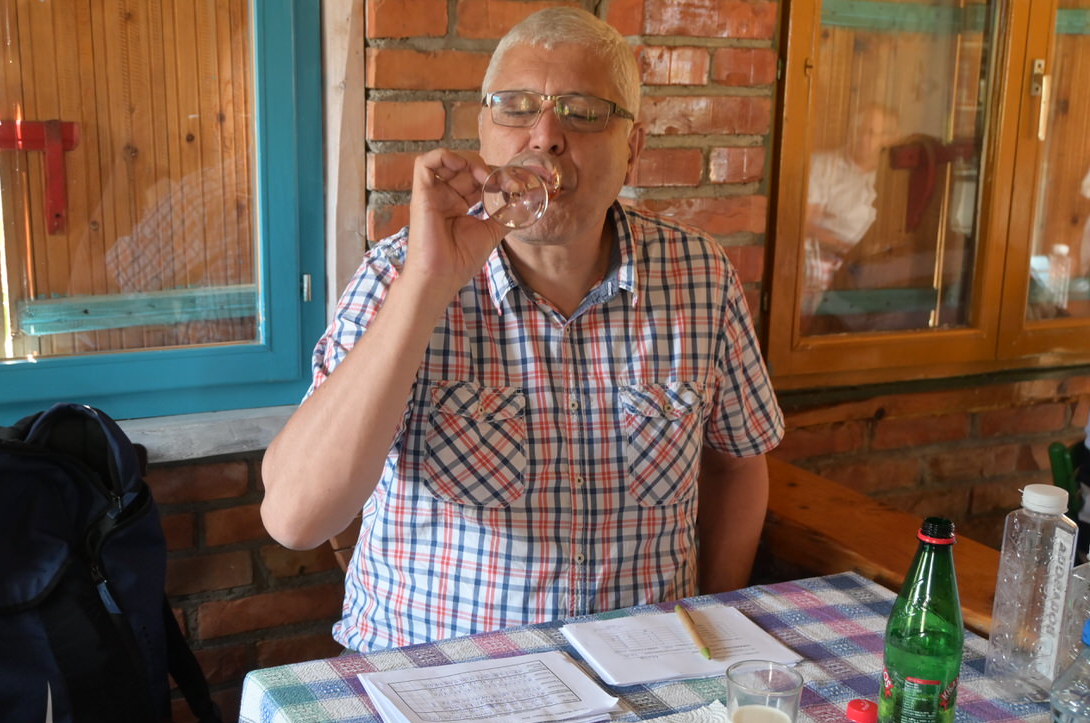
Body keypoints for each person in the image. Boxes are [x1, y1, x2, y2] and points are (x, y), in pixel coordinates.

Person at [260, 7, 784, 652]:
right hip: (438, 675)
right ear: (484, 132)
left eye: (583, 112)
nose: (545, 136)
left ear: (633, 149)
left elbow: (738, 463)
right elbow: (295, 519)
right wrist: (428, 283)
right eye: (516, 108)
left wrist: (714, 620)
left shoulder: (699, 273)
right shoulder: (398, 272)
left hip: (645, 668)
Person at [802, 103, 899, 317]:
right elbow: (805, 225)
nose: (863, 138)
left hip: (875, 266)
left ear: (887, 139)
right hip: (826, 260)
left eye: (871, 133)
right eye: (858, 129)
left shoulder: (893, 178)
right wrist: (844, 247)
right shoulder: (823, 165)